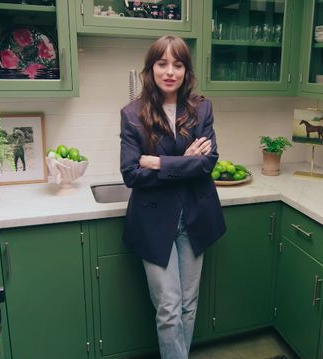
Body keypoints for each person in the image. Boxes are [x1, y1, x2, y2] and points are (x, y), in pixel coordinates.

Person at [119, 35, 226, 359]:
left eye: (177, 64)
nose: (170, 71)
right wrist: (185, 162)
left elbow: (208, 162)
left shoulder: (201, 108)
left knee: (188, 304)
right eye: (162, 64)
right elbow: (130, 173)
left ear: (186, 70)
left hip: (195, 217)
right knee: (168, 306)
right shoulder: (132, 114)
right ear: (150, 69)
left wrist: (160, 162)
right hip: (153, 221)